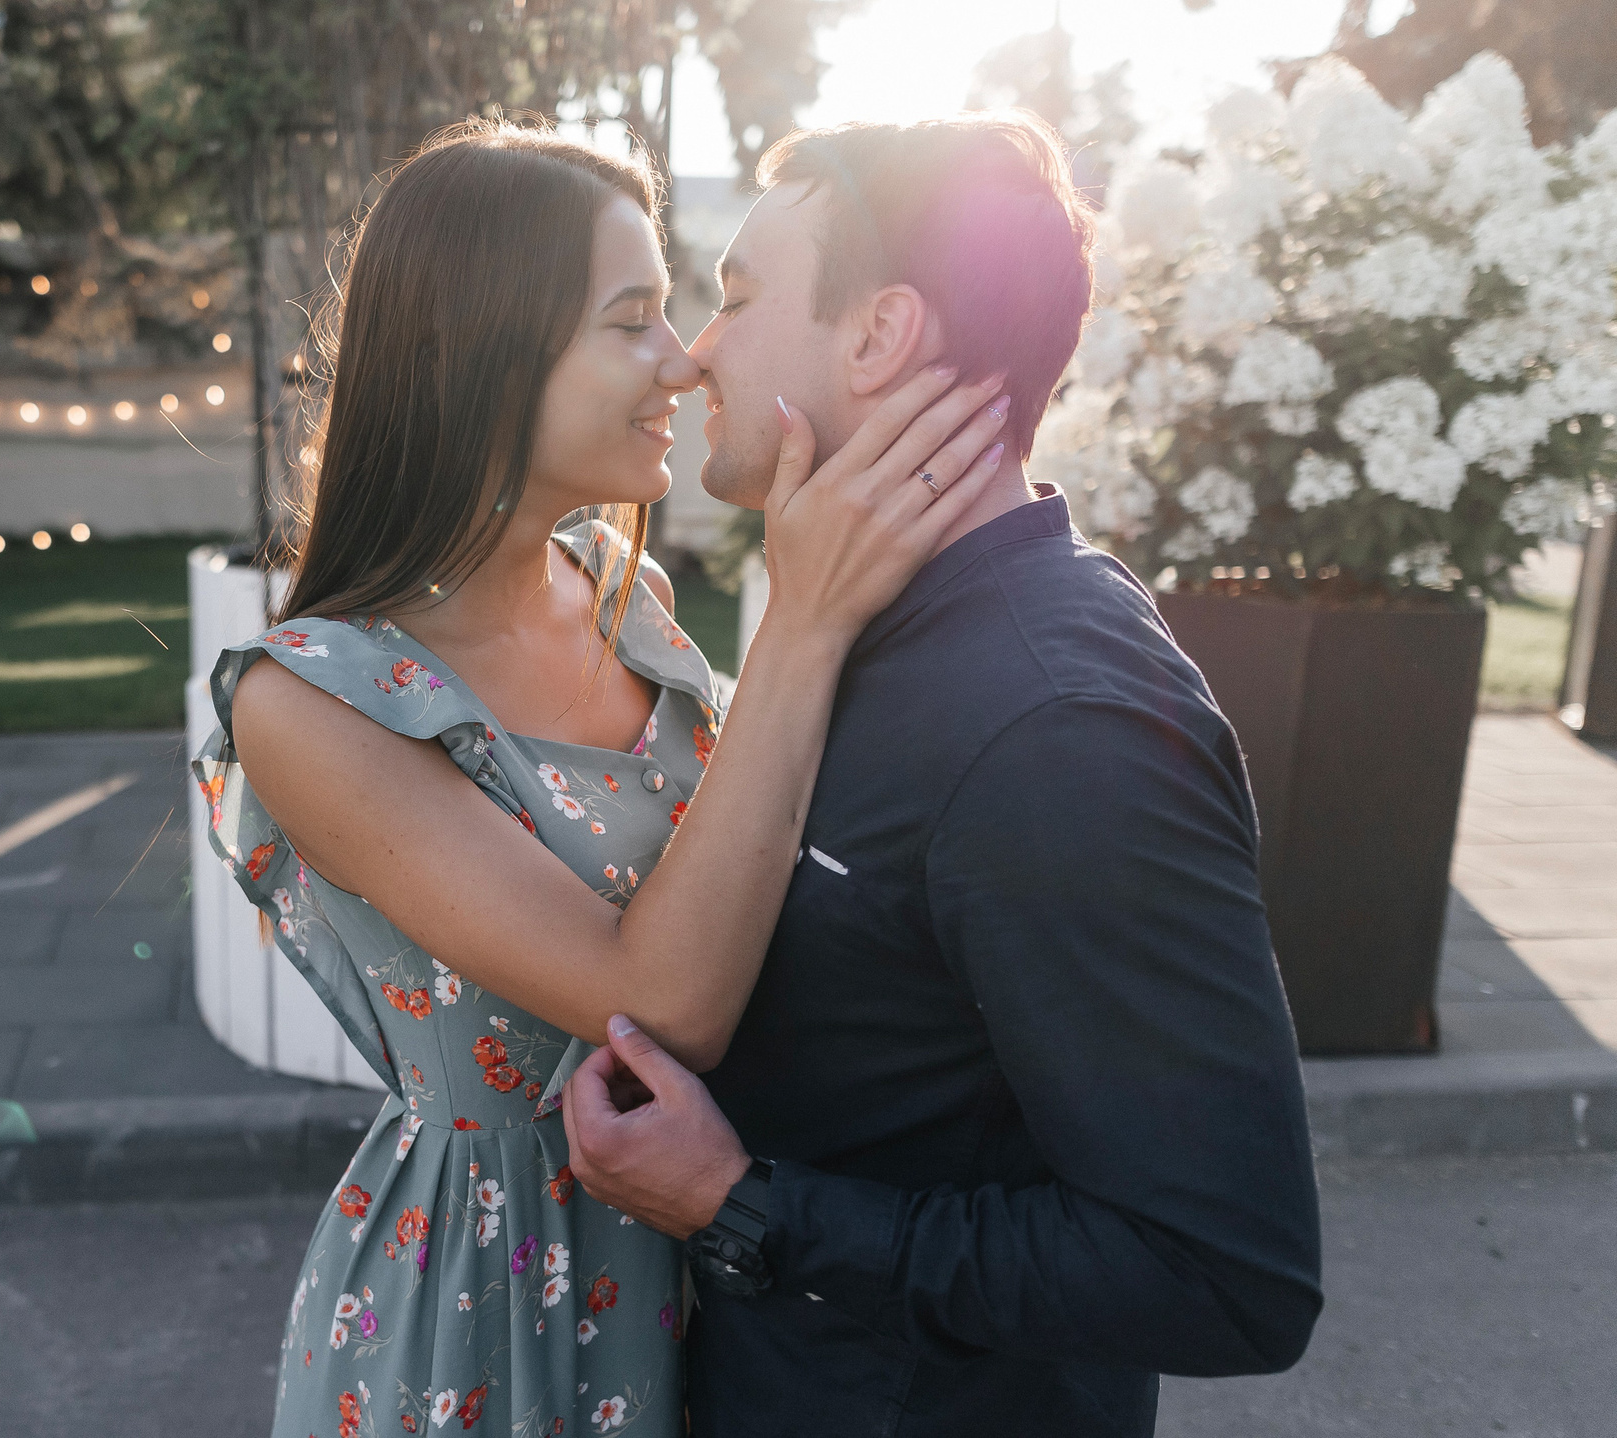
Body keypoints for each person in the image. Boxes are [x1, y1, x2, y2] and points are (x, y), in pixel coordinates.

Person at [196, 119, 1006, 1438]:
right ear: (478, 356)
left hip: (730, 1255)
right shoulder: (312, 702)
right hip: (495, 1319)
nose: (684, 361)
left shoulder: (630, 597)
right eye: (633, 320)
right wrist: (801, 622)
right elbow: (657, 1003)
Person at [558, 114, 1325, 1436]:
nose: (694, 354)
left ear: (881, 333)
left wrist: (745, 1205)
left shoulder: (1057, 728)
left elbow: (1229, 1272)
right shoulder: (845, 619)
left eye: (737, 298)